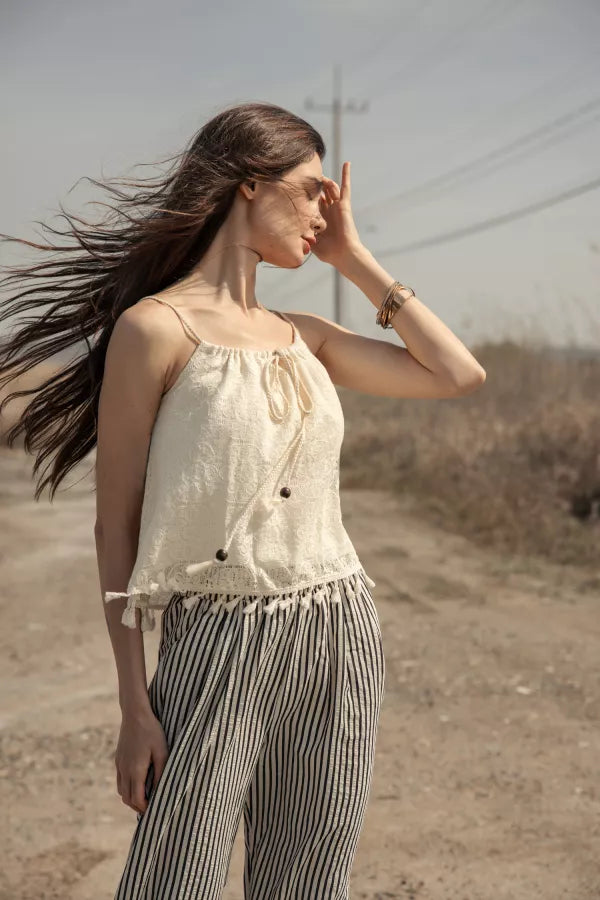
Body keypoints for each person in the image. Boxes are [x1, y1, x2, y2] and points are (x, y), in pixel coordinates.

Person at [0, 100, 486, 899]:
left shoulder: (306, 335)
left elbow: (457, 374)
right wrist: (133, 706)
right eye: (313, 190)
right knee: (176, 878)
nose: (326, 211)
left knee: (308, 879)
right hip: (216, 631)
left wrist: (356, 259)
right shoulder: (154, 330)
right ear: (249, 185)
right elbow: (115, 525)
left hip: (337, 628)